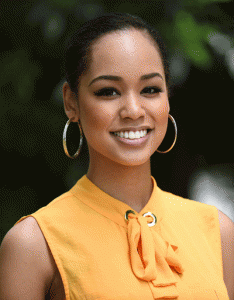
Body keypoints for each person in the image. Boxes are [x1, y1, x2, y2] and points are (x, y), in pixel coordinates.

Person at [0, 12, 233, 300]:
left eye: (150, 89)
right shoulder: (34, 244)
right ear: (71, 102)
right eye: (108, 91)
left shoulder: (218, 231)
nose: (134, 110)